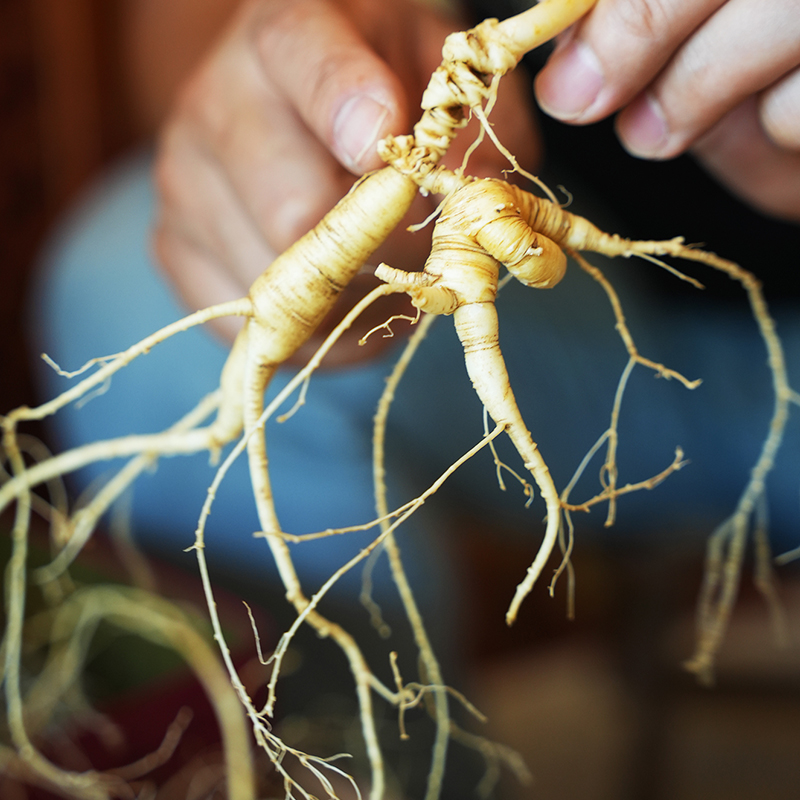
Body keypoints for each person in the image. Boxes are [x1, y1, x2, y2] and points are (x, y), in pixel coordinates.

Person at [27, 0, 799, 794]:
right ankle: (385, 766)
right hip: (603, 310)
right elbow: (179, 25)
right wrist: (272, 88)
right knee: (133, 290)